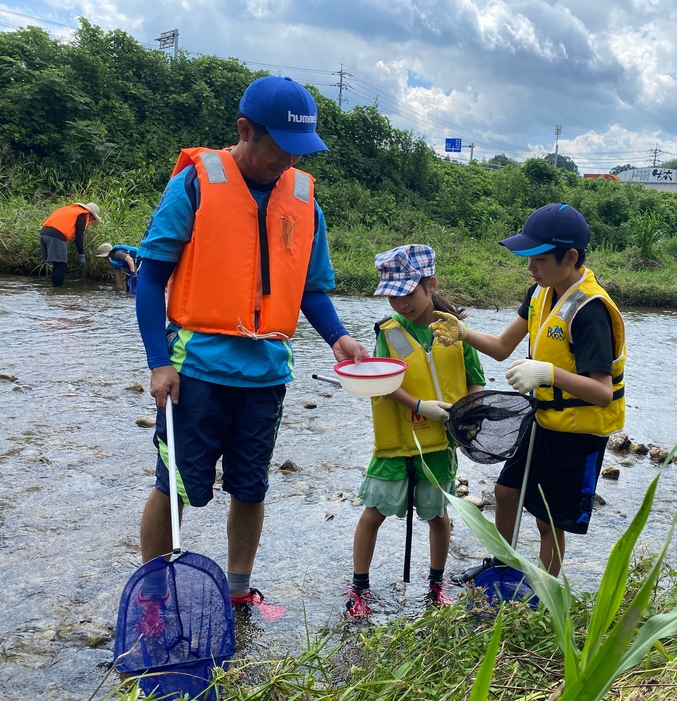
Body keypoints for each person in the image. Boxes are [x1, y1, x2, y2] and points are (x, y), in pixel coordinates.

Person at [134, 75, 368, 622]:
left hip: (266, 375)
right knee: (174, 487)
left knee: (251, 486)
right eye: (278, 150)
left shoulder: (305, 200)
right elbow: (151, 278)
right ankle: (151, 594)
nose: (286, 163)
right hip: (197, 370)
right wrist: (158, 362)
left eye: (298, 153)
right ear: (244, 130)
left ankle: (239, 589)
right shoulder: (194, 184)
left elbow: (310, 288)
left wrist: (338, 337)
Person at [431, 203, 626, 577]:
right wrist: (462, 331)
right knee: (505, 493)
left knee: (547, 521)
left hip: (577, 431)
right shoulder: (540, 291)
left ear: (570, 257)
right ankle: (503, 567)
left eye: (538, 258)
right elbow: (504, 347)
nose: (530, 267)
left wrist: (547, 373)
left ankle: (545, 591)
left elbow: (601, 392)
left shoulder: (590, 312)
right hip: (543, 419)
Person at [346, 244, 486, 617]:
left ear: (430, 285)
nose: (401, 304)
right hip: (397, 444)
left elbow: (476, 381)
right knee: (372, 513)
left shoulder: (455, 333)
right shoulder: (388, 333)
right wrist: (419, 406)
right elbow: (384, 382)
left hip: (440, 446)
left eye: (408, 293)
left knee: (438, 515)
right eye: (392, 296)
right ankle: (359, 588)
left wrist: (466, 416)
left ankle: (437, 585)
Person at [39, 202, 102, 286]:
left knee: (57, 264)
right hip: (56, 236)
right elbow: (79, 237)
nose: (90, 221)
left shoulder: (70, 209)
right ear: (91, 214)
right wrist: (81, 255)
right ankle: (57, 293)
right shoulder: (82, 215)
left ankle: (53, 292)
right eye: (92, 219)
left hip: (44, 233)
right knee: (61, 265)